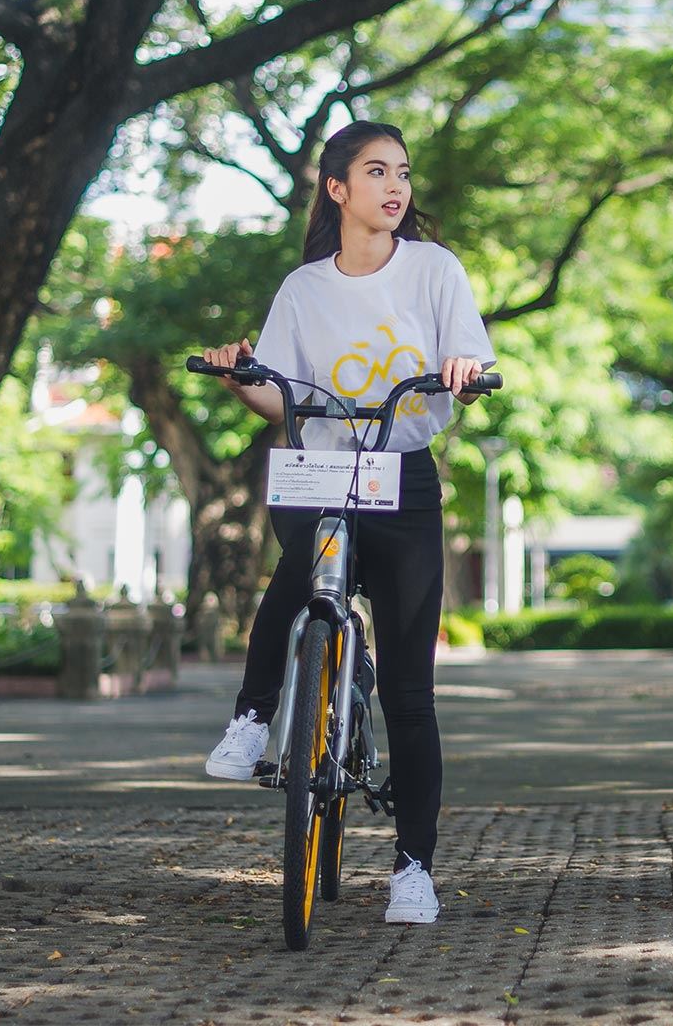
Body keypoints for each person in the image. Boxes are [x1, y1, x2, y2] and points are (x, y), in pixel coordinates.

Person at [199, 120, 496, 925]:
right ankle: (254, 717)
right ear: (337, 189)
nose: (396, 187)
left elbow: (467, 364)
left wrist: (465, 376)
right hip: (321, 475)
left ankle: (412, 870)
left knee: (409, 689)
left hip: (401, 478)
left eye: (402, 173)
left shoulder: (435, 270)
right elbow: (279, 394)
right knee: (296, 582)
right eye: (376, 172)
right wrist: (239, 377)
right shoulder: (304, 289)